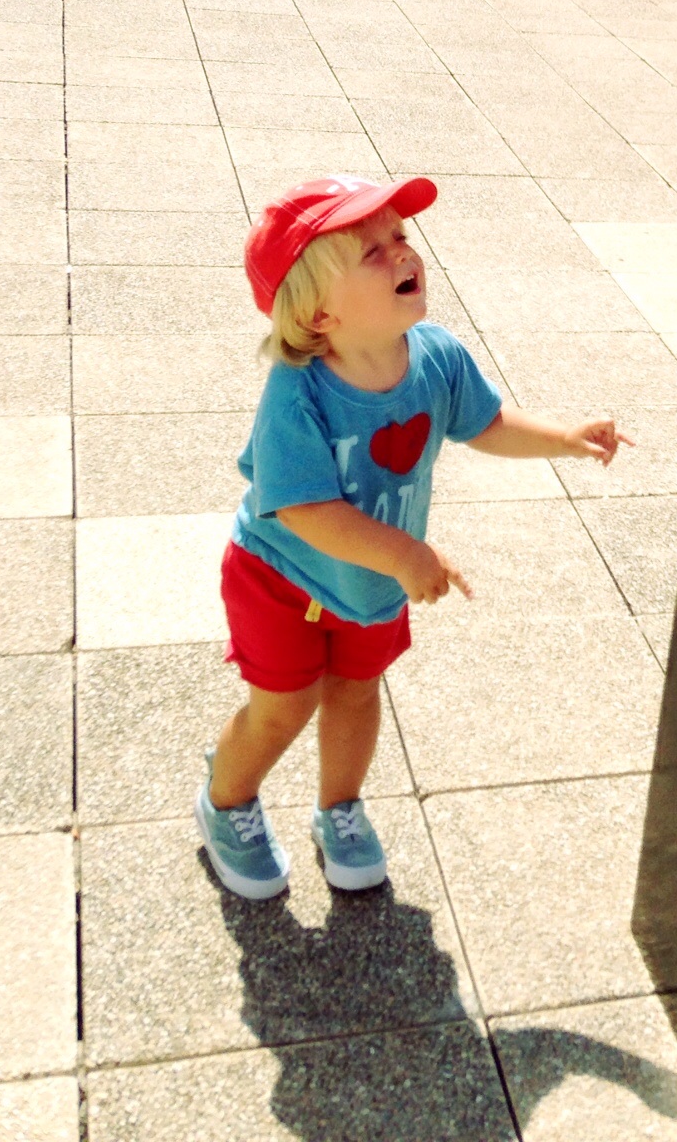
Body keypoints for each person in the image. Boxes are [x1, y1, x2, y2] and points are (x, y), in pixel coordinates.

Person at [196, 174, 627, 900]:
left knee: (357, 692)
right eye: (371, 251)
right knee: (285, 706)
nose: (402, 253)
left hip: (370, 584)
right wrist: (405, 552)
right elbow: (304, 509)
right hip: (280, 581)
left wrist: (562, 436)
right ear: (319, 313)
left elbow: (485, 422)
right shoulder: (298, 392)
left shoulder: (435, 356)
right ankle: (227, 799)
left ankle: (339, 809)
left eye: (399, 236)